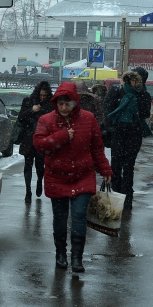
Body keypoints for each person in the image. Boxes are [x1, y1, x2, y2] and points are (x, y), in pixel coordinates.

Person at [34, 81, 113, 273]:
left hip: (83, 175)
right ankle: (61, 254)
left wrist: (105, 169)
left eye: (67, 104)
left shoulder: (88, 119)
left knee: (79, 216)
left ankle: (77, 258)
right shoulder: (46, 120)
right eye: (60, 103)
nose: (63, 108)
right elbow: (40, 145)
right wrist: (62, 136)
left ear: (75, 103)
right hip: (57, 177)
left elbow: (96, 147)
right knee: (60, 219)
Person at [103, 68, 152, 210]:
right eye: (134, 79)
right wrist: (111, 128)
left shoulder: (144, 95)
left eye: (140, 81)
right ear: (129, 78)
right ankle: (115, 195)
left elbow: (145, 113)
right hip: (118, 134)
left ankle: (127, 198)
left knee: (129, 167)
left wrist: (140, 96)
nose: (137, 83)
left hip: (134, 135)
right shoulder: (117, 91)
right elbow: (107, 110)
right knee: (116, 166)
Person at [17, 81, 53, 203]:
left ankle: (39, 181)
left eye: (45, 95)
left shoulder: (49, 105)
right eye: (41, 95)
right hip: (28, 140)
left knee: (40, 166)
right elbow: (20, 118)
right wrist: (32, 110)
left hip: (42, 141)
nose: (42, 98)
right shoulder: (28, 101)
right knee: (28, 166)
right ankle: (28, 191)